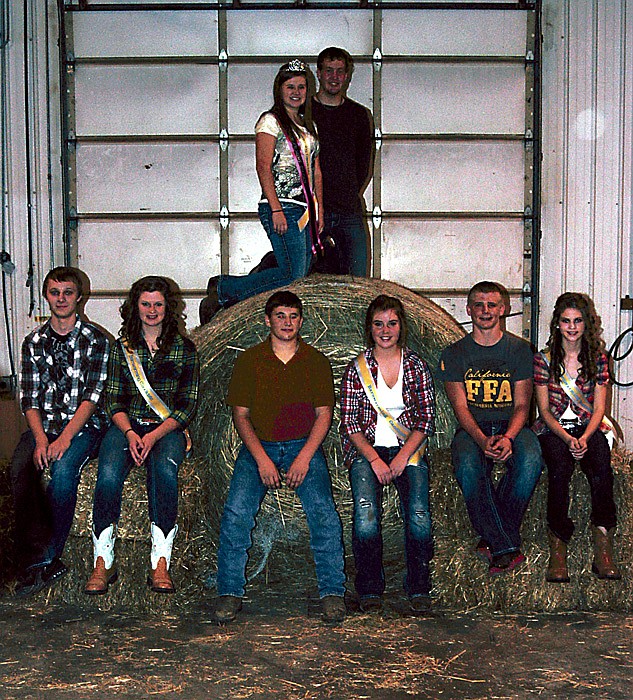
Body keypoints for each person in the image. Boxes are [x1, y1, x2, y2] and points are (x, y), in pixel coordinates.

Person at [214, 291, 346, 624]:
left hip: (304, 444)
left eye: (293, 316)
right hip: (261, 445)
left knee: (325, 516)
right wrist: (261, 459)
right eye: (280, 316)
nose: (287, 322)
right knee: (235, 515)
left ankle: (332, 592)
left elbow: (324, 414)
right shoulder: (250, 360)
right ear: (267, 320)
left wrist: (304, 458)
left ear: (301, 321)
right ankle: (229, 591)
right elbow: (241, 415)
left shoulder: (316, 361)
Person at [85, 276, 199, 595]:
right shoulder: (121, 349)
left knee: (164, 473)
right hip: (127, 426)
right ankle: (102, 562)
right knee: (107, 475)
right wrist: (132, 433)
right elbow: (113, 399)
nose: (152, 310)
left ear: (168, 308)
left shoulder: (185, 349)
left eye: (158, 304)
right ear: (135, 307)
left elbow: (187, 405)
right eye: (146, 304)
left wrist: (152, 437)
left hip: (165, 430)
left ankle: (159, 562)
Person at [11, 266, 109, 596]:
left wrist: (65, 438)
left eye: (68, 293)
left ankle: (49, 558)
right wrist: (40, 439)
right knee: (20, 469)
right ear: (46, 297)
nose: (61, 299)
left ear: (80, 297)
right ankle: (29, 557)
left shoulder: (96, 340)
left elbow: (92, 397)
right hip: (45, 426)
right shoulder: (33, 342)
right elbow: (30, 395)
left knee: (64, 471)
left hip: (82, 428)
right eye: (55, 293)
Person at [200, 60, 323, 324]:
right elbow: (263, 167)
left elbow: (316, 171)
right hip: (282, 207)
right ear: (279, 89)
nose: (296, 92)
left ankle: (226, 290)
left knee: (297, 278)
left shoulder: (307, 125)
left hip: (304, 210)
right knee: (291, 276)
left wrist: (319, 209)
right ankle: (224, 289)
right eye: (290, 86)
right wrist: (276, 207)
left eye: (302, 87)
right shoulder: (270, 121)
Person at [438, 281, 542, 575]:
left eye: (492, 305)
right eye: (479, 305)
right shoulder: (454, 353)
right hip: (474, 428)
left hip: (513, 425)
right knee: (468, 467)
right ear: (469, 309)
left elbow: (523, 405)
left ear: (504, 309)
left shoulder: (520, 350)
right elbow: (460, 408)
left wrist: (509, 438)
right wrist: (483, 441)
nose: (486, 311)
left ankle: (493, 538)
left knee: (531, 459)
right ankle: (504, 544)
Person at [340, 295, 435, 613]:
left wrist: (399, 459)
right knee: (366, 515)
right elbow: (350, 423)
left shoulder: (416, 365)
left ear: (400, 326)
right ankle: (369, 589)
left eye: (392, 323)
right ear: (370, 328)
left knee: (419, 515)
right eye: (378, 324)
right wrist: (375, 460)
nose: (385, 330)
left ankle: (419, 587)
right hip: (368, 451)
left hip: (407, 449)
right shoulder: (357, 369)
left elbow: (425, 419)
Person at [533, 292, 621, 583]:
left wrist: (584, 436)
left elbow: (599, 407)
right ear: (557, 324)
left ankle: (602, 547)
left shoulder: (598, 360)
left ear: (587, 324)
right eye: (565, 321)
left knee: (601, 470)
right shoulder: (543, 360)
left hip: (588, 425)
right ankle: (558, 548)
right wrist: (567, 439)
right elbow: (544, 410)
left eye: (577, 321)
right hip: (555, 428)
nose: (571, 327)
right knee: (559, 470)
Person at [311, 47, 374, 277]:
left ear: (347, 76)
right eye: (328, 71)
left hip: (349, 211)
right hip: (312, 212)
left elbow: (363, 165)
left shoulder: (359, 115)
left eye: (339, 71)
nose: (334, 77)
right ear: (318, 73)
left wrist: (347, 192)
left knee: (358, 280)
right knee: (302, 278)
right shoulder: (303, 112)